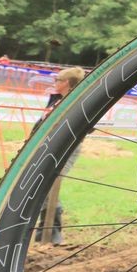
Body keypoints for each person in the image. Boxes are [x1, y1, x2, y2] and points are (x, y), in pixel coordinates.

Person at [34, 67, 85, 245]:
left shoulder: (77, 102)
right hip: (44, 147)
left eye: (57, 79)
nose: (54, 83)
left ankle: (52, 233)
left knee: (50, 184)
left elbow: (85, 125)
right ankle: (45, 233)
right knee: (43, 185)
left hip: (66, 148)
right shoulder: (56, 100)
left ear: (66, 83)